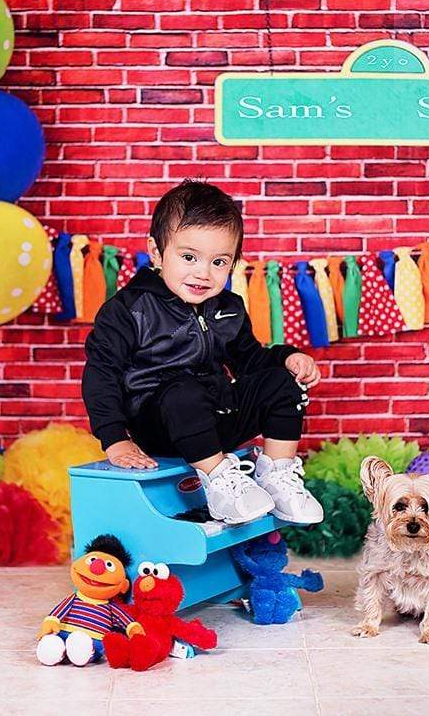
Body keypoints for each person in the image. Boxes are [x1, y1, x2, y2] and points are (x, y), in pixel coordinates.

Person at [82, 180, 324, 526]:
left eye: (219, 262)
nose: (203, 273)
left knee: (282, 382)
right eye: (189, 257)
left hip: (215, 418)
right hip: (160, 423)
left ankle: (278, 476)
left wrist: (287, 358)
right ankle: (220, 482)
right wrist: (115, 439)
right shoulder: (129, 309)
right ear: (156, 251)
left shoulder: (229, 307)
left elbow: (249, 359)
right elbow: (101, 374)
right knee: (183, 389)